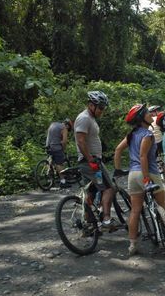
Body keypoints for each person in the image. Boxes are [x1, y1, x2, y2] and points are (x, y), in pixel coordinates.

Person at [114, 104, 165, 256]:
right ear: (141, 118)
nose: (150, 114)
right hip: (148, 173)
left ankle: (132, 244)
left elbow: (117, 150)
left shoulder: (131, 135)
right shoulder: (148, 135)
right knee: (161, 205)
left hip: (132, 175)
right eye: (146, 113)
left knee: (135, 211)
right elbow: (143, 156)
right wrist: (146, 179)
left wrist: (117, 170)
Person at [74, 90, 117, 231]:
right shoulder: (84, 118)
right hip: (91, 163)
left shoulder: (90, 119)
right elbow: (80, 141)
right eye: (101, 108)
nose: (102, 111)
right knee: (109, 188)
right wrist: (91, 159)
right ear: (91, 105)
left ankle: (88, 224)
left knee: (91, 192)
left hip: (90, 161)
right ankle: (106, 220)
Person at [45, 118, 73, 188]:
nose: (68, 130)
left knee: (51, 162)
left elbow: (50, 136)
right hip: (56, 148)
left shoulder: (53, 124)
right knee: (59, 164)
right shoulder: (64, 128)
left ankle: (50, 180)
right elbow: (64, 141)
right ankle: (63, 182)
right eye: (69, 128)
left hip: (48, 146)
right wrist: (63, 149)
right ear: (67, 125)